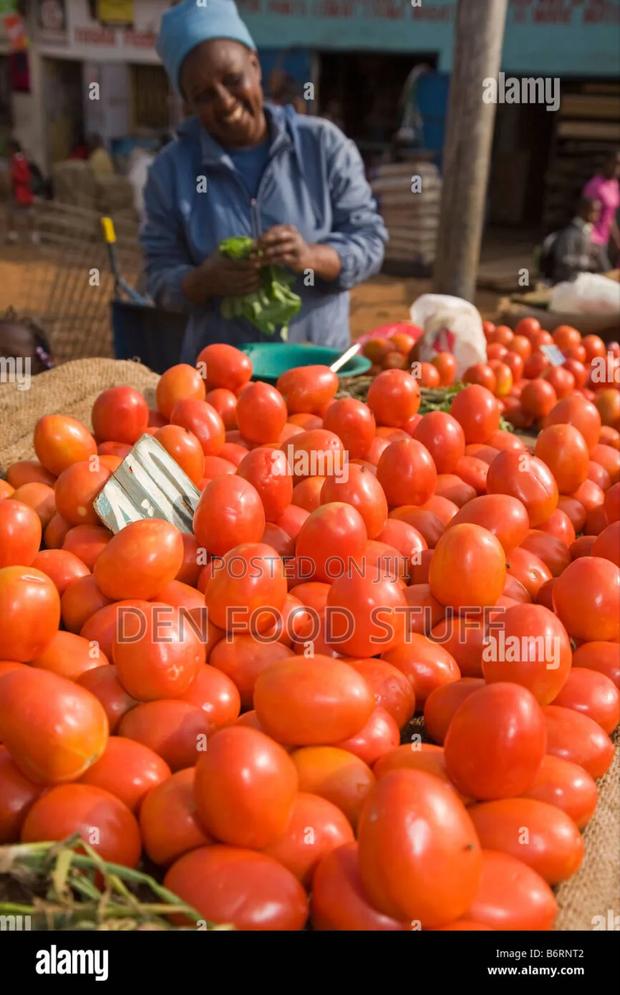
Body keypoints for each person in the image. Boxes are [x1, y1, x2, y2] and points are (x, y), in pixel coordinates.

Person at [141, 0, 387, 363]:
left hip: (316, 369)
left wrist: (312, 257)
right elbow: (157, 275)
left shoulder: (322, 146)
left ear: (255, 66)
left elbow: (370, 240)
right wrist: (202, 281)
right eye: (204, 95)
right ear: (188, 104)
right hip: (220, 381)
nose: (225, 102)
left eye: (233, 80)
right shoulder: (171, 170)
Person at [541, 197, 608, 284]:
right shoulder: (570, 232)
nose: (597, 215)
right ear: (583, 211)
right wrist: (587, 262)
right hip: (567, 280)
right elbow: (564, 259)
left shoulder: (587, 231)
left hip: (582, 278)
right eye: (594, 211)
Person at [583, 151, 620, 268]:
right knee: (605, 271)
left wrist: (617, 240)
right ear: (607, 163)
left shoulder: (614, 185)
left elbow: (610, 216)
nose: (616, 168)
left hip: (605, 239)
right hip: (593, 239)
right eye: (615, 163)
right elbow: (585, 214)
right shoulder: (594, 185)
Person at [6, 140, 38, 245]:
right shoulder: (19, 158)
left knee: (23, 213)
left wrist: (13, 178)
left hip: (20, 190)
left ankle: (16, 236)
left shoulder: (18, 159)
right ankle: (19, 235)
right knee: (22, 213)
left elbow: (22, 175)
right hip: (22, 190)